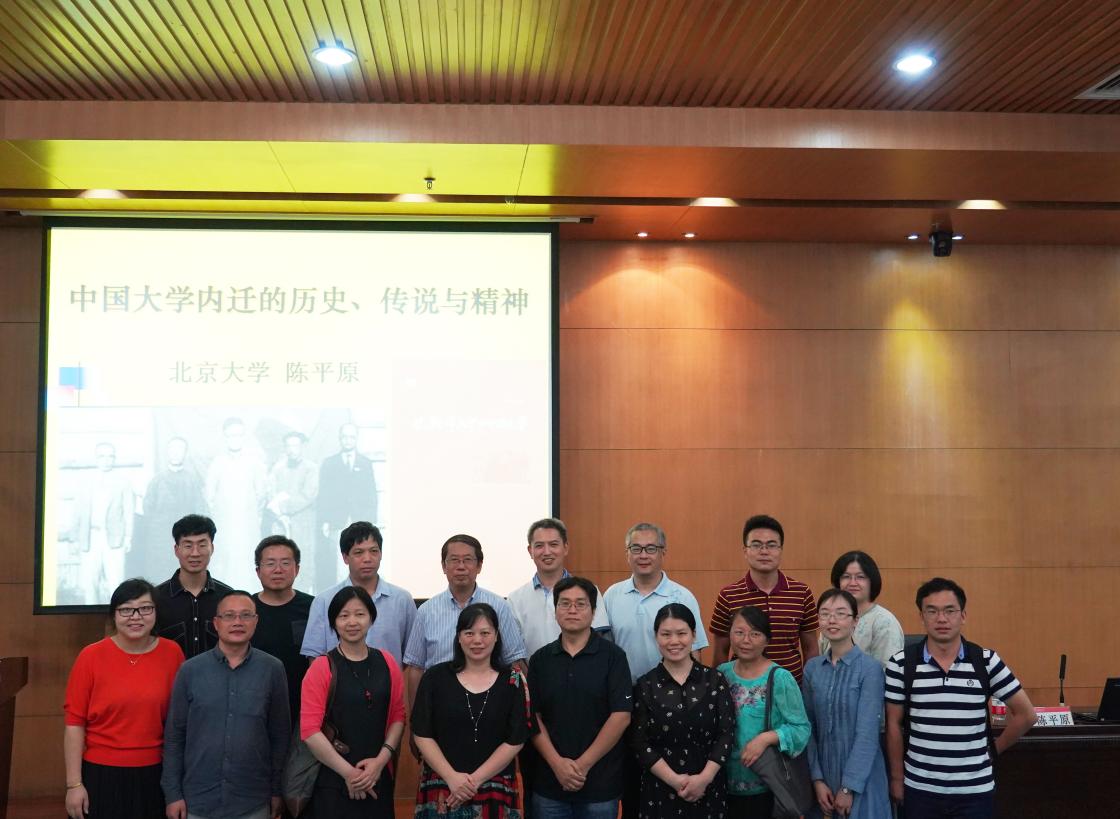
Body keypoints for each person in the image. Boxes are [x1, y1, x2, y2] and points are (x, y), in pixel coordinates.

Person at [885, 578, 1036, 819]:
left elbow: (1027, 715)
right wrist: (896, 778)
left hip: (975, 793)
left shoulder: (986, 661)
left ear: (963, 616)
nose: (941, 619)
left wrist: (992, 751)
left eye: (950, 611)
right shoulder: (901, 664)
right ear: (921, 617)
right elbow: (893, 724)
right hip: (920, 790)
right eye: (932, 611)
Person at [161, 590, 291, 819]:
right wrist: (173, 794)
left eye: (245, 615)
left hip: (253, 800)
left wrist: (277, 791)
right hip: (197, 800)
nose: (237, 622)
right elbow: (174, 737)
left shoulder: (272, 669)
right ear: (216, 623)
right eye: (229, 616)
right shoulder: (190, 671)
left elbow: (280, 736)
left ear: (256, 621)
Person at [63, 578, 185, 819]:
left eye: (145, 608)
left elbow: (179, 723)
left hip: (155, 774)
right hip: (100, 774)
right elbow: (74, 724)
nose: (136, 617)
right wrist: (74, 785)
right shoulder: (91, 656)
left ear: (156, 613)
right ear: (114, 615)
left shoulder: (172, 653)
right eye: (126, 610)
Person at [411, 603, 533, 819]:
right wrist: (452, 778)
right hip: (443, 786)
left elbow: (516, 738)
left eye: (485, 633)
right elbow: (421, 731)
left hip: (495, 787)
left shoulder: (513, 680)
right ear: (459, 637)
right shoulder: (435, 677)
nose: (477, 640)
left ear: (496, 636)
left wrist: (474, 780)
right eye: (469, 633)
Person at [528, 576, 632, 819]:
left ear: (593, 612)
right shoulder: (541, 659)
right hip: (550, 782)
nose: (572, 610)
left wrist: (582, 766)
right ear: (555, 611)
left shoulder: (613, 657)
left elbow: (621, 716)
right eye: (564, 603)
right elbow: (533, 716)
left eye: (580, 604)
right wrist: (558, 765)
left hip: (600, 783)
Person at [300, 586, 406, 819]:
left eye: (360, 614)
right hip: (333, 779)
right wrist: (350, 774)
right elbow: (309, 731)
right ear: (334, 622)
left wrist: (380, 762)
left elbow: (398, 716)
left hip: (378, 776)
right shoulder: (322, 667)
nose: (352, 622)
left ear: (371, 618)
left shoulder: (387, 661)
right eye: (343, 615)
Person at [404, 535, 528, 722]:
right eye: (454, 560)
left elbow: (515, 664)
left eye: (468, 560)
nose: (461, 566)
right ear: (444, 566)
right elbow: (416, 668)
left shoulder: (499, 606)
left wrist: (517, 705)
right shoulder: (426, 611)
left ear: (479, 566)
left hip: (491, 708)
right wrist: (417, 718)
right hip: (440, 706)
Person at [631, 603, 735, 819]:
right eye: (666, 634)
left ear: (694, 635)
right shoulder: (645, 685)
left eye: (681, 633)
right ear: (656, 637)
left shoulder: (715, 680)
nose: (674, 641)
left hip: (709, 787)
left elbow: (726, 733)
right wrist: (676, 781)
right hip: (660, 791)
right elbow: (639, 742)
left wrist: (703, 780)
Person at [802, 589, 890, 819]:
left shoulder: (870, 669)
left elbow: (868, 734)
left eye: (841, 613)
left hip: (863, 779)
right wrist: (817, 779)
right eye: (825, 614)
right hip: (823, 777)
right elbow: (807, 727)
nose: (832, 620)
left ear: (855, 621)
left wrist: (848, 787)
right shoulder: (812, 669)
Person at [718, 606, 810, 819]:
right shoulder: (722, 674)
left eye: (755, 634)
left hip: (766, 786)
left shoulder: (780, 678)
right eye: (739, 632)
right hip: (723, 783)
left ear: (767, 640)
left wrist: (766, 738)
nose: (746, 640)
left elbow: (801, 729)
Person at [709, 514, 819, 682]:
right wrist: (718, 689)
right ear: (745, 551)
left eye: (771, 545)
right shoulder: (728, 595)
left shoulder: (802, 593)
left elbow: (810, 648)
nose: (764, 551)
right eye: (756, 545)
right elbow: (720, 652)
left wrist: (808, 688)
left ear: (781, 550)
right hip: (741, 690)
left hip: (791, 688)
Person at [250, 535, 315, 815]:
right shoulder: (245, 611)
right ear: (258, 570)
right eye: (270, 563)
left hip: (303, 717)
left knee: (298, 795)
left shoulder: (314, 608)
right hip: (255, 717)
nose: (278, 570)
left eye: (285, 563)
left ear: (297, 568)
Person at [603, 523, 708, 683]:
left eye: (651, 549)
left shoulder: (683, 597)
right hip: (622, 689)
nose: (643, 555)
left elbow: (694, 651)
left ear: (663, 552)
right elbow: (605, 648)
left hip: (671, 691)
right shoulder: (612, 595)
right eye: (636, 548)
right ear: (627, 553)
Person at [301, 522, 416, 667]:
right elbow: (315, 658)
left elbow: (413, 658)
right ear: (345, 557)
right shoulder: (324, 601)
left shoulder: (402, 599)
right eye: (359, 552)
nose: (367, 559)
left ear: (381, 554)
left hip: (390, 681)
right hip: (338, 681)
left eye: (374, 551)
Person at [508, 518, 610, 657]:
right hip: (533, 670)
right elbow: (515, 654)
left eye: (553, 544)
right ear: (530, 551)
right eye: (539, 546)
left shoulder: (589, 591)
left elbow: (599, 642)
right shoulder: (515, 599)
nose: (547, 552)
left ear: (566, 548)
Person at [155, 514, 233, 658]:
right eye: (188, 546)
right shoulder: (156, 598)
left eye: (202, 545)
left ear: (212, 548)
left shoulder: (228, 597)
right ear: (176, 550)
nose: (195, 553)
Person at [130, 436, 206, 582]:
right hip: (160, 541)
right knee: (160, 577)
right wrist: (159, 532)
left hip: (186, 539)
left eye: (180, 449)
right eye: (173, 449)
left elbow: (200, 509)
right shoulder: (157, 480)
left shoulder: (192, 480)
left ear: (185, 453)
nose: (176, 453)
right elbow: (148, 509)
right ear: (167, 452)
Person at [205, 416, 267, 590]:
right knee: (224, 562)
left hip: (247, 526)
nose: (235, 439)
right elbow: (209, 496)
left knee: (248, 560)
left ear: (244, 436)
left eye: (239, 435)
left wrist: (251, 516)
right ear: (225, 437)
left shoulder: (253, 462)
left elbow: (261, 494)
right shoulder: (218, 463)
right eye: (231, 435)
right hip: (225, 526)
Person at [317, 422, 378, 588]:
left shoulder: (365, 463)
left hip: (361, 521)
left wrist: (372, 522)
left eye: (351, 437)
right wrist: (325, 521)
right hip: (337, 521)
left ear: (356, 438)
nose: (348, 440)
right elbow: (324, 495)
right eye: (345, 437)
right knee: (339, 561)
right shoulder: (329, 463)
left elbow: (371, 493)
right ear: (340, 438)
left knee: (363, 560)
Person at [818, 551, 904, 669]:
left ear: (872, 581)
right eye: (846, 577)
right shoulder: (831, 619)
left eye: (860, 577)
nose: (852, 583)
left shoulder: (884, 622)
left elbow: (888, 671)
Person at [76, 441, 134, 603]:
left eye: (110, 456)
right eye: (102, 456)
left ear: (114, 459)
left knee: (115, 583)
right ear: (96, 458)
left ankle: (116, 616)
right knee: (90, 584)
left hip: (114, 539)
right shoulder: (85, 482)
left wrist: (128, 537)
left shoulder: (123, 482)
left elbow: (128, 512)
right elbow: (77, 512)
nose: (106, 460)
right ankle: (90, 613)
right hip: (90, 538)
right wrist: (75, 539)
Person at [264, 432, 319, 582]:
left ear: (302, 447)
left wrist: (284, 507)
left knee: (303, 561)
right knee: (281, 560)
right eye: (288, 446)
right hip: (280, 523)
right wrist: (277, 510)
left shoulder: (311, 468)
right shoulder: (278, 469)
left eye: (295, 445)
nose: (292, 450)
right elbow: (271, 491)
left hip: (302, 524)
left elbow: (308, 495)